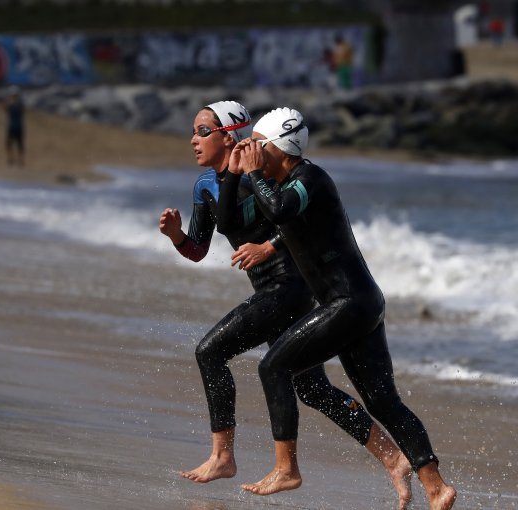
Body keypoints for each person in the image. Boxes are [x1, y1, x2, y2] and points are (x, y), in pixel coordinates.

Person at [159, 101, 411, 508]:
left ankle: (224, 457)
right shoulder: (206, 185)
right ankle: (393, 458)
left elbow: (293, 217)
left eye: (203, 131)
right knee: (311, 387)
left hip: (289, 285)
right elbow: (199, 248)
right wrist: (175, 236)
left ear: (229, 136)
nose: (193, 139)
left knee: (211, 351)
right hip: (268, 290)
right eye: (193, 131)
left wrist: (268, 245)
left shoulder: (257, 176)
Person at [225, 108, 456, 509]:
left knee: (273, 367)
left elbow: (282, 210)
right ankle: (437, 489)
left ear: (280, 148)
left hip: (349, 303)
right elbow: (286, 222)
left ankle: (287, 469)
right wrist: (267, 241)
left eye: (259, 144)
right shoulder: (289, 184)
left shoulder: (310, 178)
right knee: (383, 401)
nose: (252, 150)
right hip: (359, 303)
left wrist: (252, 174)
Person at [5, 88, 24, 166]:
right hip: (11, 126)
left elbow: (22, 111)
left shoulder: (19, 104)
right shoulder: (10, 104)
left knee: (19, 144)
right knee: (9, 143)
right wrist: (9, 102)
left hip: (18, 126)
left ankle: (20, 160)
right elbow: (4, 109)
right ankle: (10, 158)